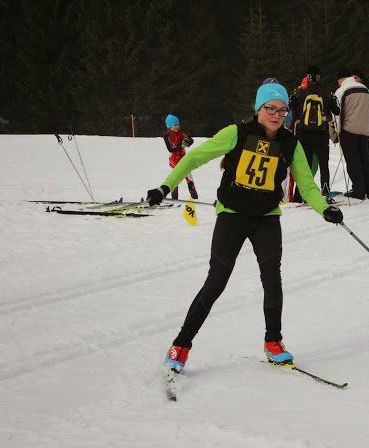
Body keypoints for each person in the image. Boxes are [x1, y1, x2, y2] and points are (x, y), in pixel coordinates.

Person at [146, 78, 344, 372]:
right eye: (270, 108)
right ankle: (181, 344)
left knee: (272, 280)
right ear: (258, 108)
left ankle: (273, 342)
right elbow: (194, 158)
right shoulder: (236, 133)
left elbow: (307, 185)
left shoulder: (290, 143)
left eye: (282, 110)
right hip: (233, 214)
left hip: (266, 217)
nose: (276, 115)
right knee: (216, 281)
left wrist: (325, 209)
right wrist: (165, 187)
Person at [290, 66, 340, 203]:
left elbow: (293, 110)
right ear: (319, 77)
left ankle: (300, 195)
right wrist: (333, 100)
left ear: (308, 77)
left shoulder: (300, 93)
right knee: (324, 164)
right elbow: (337, 111)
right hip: (322, 134)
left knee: (304, 165)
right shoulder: (326, 93)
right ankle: (325, 192)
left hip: (304, 133)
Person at [335, 68, 369, 200]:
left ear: (342, 79)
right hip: (364, 130)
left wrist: (337, 133)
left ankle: (358, 191)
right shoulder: (364, 89)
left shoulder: (342, 90)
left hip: (348, 130)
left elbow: (337, 114)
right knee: (365, 160)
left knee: (353, 163)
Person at [163, 114, 198, 199]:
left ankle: (194, 195)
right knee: (176, 176)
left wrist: (188, 142)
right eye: (174, 125)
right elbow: (171, 149)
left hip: (183, 157)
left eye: (178, 124)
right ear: (169, 126)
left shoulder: (181, 133)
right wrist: (181, 145)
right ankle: (174, 197)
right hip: (174, 159)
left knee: (188, 175)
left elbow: (190, 140)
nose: (177, 127)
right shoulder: (167, 136)